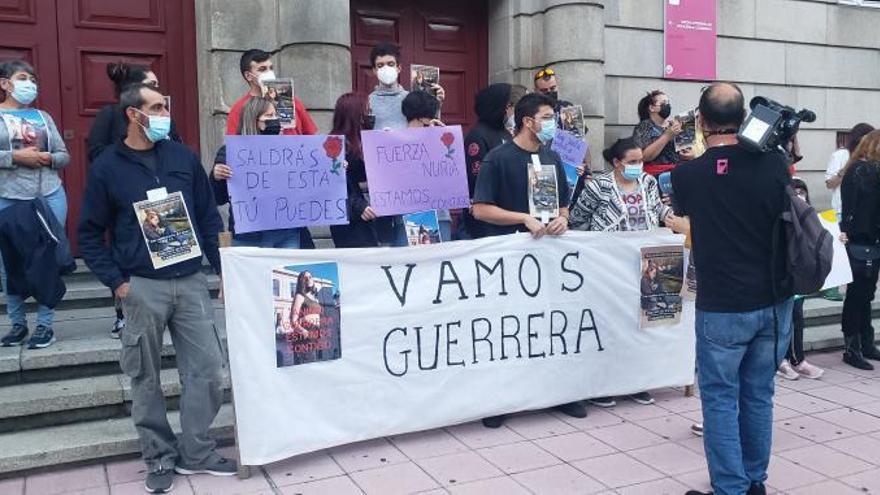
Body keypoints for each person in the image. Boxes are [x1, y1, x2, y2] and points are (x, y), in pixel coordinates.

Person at [78, 83, 231, 493]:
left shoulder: (182, 157)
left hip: (191, 280)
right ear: (133, 114)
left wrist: (222, 271)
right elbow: (89, 234)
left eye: (165, 104)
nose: (166, 112)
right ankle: (159, 457)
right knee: (144, 376)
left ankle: (197, 451)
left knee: (208, 371)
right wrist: (118, 283)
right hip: (142, 286)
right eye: (157, 106)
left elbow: (207, 217)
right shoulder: (107, 167)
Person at [673, 83, 792, 495]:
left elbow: (686, 211)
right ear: (744, 120)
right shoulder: (774, 164)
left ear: (702, 122)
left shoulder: (686, 174)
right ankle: (753, 480)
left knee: (721, 399)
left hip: (721, 304)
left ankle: (730, 487)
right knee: (759, 394)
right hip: (773, 300)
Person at [472, 92, 584, 427]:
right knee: (508, 330)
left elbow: (563, 204)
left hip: (548, 259)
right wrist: (522, 218)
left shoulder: (552, 157)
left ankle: (560, 393)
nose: (553, 124)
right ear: (528, 121)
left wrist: (563, 218)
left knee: (550, 326)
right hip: (509, 261)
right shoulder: (498, 159)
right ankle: (500, 400)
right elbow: (480, 209)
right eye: (548, 117)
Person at [569, 137, 674, 408]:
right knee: (608, 325)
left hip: (644, 263)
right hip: (608, 265)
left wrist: (673, 219)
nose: (638, 166)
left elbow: (658, 210)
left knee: (639, 325)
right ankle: (602, 386)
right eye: (632, 162)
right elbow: (577, 218)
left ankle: (635, 382)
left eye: (640, 161)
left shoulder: (648, 183)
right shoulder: (599, 186)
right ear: (616, 163)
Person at [88, 62, 184, 338]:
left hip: (163, 198)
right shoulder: (108, 116)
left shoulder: (163, 118)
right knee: (127, 254)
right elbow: (95, 153)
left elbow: (177, 143)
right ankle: (122, 313)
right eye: (152, 85)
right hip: (127, 200)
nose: (158, 91)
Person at [0, 59, 70, 349]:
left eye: (32, 78)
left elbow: (63, 154)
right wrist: (14, 158)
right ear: (5, 83)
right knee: (10, 263)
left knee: (46, 260)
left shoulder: (43, 116)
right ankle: (17, 324)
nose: (29, 83)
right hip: (8, 199)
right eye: (22, 77)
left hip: (48, 195)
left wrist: (49, 159)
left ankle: (45, 325)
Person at [211, 96, 303, 248]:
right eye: (269, 116)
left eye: (276, 115)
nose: (275, 120)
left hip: (286, 233)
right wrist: (216, 178)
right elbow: (218, 198)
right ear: (254, 120)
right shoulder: (231, 153)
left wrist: (334, 167)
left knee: (287, 273)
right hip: (249, 237)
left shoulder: (290, 151)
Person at [327, 92, 404, 247]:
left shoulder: (364, 140)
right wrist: (358, 207)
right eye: (367, 111)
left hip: (374, 215)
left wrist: (386, 144)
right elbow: (335, 189)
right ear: (355, 115)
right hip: (353, 222)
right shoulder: (333, 146)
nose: (371, 115)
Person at [461, 83, 527, 239]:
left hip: (507, 213)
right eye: (510, 106)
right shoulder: (478, 135)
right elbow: (476, 178)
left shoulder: (506, 133)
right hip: (485, 219)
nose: (512, 111)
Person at [839, 130, 880, 371]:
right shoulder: (863, 171)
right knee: (859, 295)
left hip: (864, 240)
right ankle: (854, 346)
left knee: (864, 294)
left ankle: (863, 342)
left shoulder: (859, 169)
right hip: (861, 241)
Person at [777, 179, 826, 380]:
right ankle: (782, 360)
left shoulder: (809, 219)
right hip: (783, 277)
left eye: (802, 191)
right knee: (785, 319)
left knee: (797, 317)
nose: (800, 195)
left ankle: (797, 358)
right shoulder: (783, 218)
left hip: (798, 277)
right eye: (795, 192)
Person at [87, 62, 182, 162]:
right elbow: (96, 153)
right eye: (152, 84)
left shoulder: (163, 115)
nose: (157, 89)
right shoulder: (110, 114)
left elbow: (179, 149)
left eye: (157, 85)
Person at [226, 49, 317, 136]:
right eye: (262, 69)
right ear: (248, 76)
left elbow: (311, 135)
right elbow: (234, 144)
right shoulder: (240, 107)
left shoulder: (291, 101)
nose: (269, 72)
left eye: (271, 68)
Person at [401, 91, 452, 241]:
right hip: (408, 217)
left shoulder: (440, 140)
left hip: (438, 215)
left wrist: (446, 139)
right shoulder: (393, 144)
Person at [368, 42, 445, 131]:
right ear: (374, 70)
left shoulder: (414, 100)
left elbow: (428, 128)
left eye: (391, 64)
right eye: (380, 65)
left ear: (399, 68)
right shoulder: (367, 103)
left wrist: (437, 104)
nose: (386, 68)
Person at [633, 90, 688, 177]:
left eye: (668, 103)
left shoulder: (673, 124)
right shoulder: (644, 126)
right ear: (651, 108)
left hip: (678, 172)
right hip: (655, 175)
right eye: (663, 103)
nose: (668, 106)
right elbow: (644, 156)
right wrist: (667, 136)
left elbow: (685, 152)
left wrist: (689, 153)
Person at [826, 123, 875, 222]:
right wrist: (845, 169)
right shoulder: (841, 155)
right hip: (843, 211)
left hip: (868, 212)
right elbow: (829, 184)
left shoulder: (873, 158)